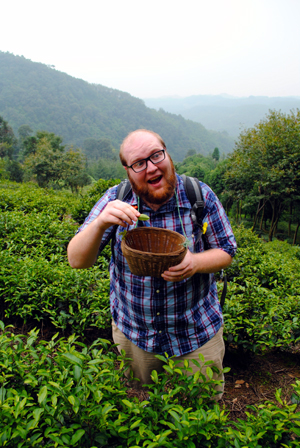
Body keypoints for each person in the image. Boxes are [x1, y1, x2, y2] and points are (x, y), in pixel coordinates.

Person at [67, 129, 237, 399]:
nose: (151, 167)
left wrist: (194, 262)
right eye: (138, 163)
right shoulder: (117, 200)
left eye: (156, 155)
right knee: (138, 402)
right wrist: (100, 223)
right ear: (128, 170)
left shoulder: (198, 196)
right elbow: (76, 260)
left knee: (201, 411)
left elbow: (227, 250)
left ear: (167, 155)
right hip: (135, 333)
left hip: (196, 332)